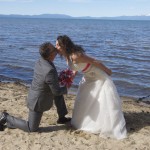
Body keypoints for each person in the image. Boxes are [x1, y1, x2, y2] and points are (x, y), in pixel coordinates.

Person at [55, 35, 127, 139]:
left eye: (58, 45)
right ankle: (86, 122)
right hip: (88, 76)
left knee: (103, 99)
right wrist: (71, 77)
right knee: (83, 98)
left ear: (64, 45)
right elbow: (76, 68)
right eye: (56, 44)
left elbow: (94, 61)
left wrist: (107, 71)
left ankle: (106, 123)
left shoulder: (76, 55)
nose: (56, 46)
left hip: (98, 75)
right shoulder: (67, 56)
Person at [0, 42, 71, 132]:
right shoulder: (50, 70)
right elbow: (56, 91)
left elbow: (48, 79)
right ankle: (6, 117)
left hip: (38, 91)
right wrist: (67, 87)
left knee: (58, 92)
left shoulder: (41, 60)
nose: (56, 50)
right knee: (31, 128)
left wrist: (59, 78)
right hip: (37, 101)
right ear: (50, 55)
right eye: (54, 49)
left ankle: (62, 117)